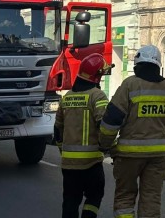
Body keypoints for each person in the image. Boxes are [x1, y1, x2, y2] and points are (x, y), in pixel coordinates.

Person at [99, 45, 165, 218]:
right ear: (158, 64)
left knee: (125, 199)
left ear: (137, 63)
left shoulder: (130, 85)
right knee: (151, 200)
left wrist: (106, 145)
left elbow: (112, 119)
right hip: (157, 157)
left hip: (128, 156)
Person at [55, 53, 111, 218]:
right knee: (94, 197)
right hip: (91, 163)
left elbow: (57, 130)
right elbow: (105, 125)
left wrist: (63, 152)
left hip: (69, 165)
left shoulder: (67, 97)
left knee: (70, 201)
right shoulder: (97, 95)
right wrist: (110, 147)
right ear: (96, 76)